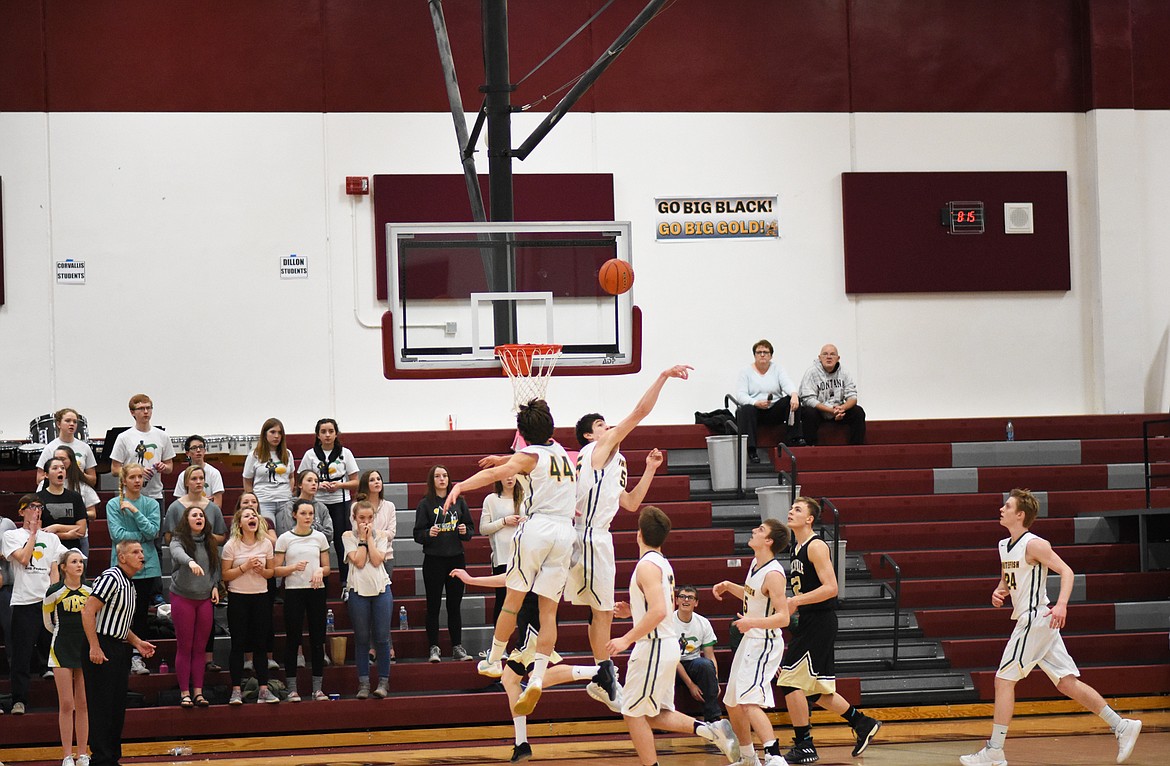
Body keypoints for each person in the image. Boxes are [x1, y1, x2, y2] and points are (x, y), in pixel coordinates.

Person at [959, 489, 1143, 766]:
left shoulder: (1035, 544)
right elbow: (1010, 578)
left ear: (1020, 514)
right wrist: (999, 592)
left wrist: (1062, 605)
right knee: (1067, 683)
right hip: (1035, 621)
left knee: (1003, 680)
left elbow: (1067, 572)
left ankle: (994, 750)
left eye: (1006, 506)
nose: (1001, 509)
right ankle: (1121, 725)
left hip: (1036, 619)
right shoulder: (1003, 545)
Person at [443, 399, 577, 717]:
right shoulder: (563, 453)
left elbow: (503, 472)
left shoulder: (528, 456)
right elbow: (529, 459)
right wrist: (505, 458)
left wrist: (461, 486)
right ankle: (540, 674)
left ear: (522, 434)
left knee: (513, 599)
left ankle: (493, 657)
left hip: (538, 528)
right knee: (548, 612)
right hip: (565, 533)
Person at [570, 364, 690, 712]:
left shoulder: (613, 460)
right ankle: (605, 675)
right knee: (603, 612)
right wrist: (663, 376)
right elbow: (640, 411)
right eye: (600, 425)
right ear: (591, 436)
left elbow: (632, 503)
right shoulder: (599, 450)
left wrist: (650, 470)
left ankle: (602, 674)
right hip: (590, 537)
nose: (608, 427)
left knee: (599, 613)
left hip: (594, 537)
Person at [605, 507, 742, 766]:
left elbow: (658, 611)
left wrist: (626, 639)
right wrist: (633, 611)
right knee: (656, 713)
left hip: (654, 646)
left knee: (632, 713)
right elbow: (660, 608)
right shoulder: (662, 564)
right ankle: (711, 730)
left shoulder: (646, 566)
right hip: (665, 644)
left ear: (639, 534)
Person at [450, 567, 607, 764]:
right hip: (531, 623)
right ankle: (522, 743)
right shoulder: (538, 559)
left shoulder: (535, 558)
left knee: (539, 676)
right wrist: (472, 579)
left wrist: (471, 579)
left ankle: (598, 672)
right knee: (509, 679)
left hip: (535, 623)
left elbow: (508, 578)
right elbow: (510, 578)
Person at [777, 496, 880, 763]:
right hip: (809, 621)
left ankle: (805, 744)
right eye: (791, 508)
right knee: (813, 690)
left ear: (810, 518)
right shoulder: (795, 547)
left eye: (797, 509)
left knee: (789, 682)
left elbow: (832, 588)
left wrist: (796, 601)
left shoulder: (816, 546)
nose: (791, 512)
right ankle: (862, 723)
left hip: (820, 621)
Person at [713, 519, 791, 766]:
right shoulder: (756, 564)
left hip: (765, 641)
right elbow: (753, 596)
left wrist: (752, 623)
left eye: (760, 530)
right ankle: (748, 758)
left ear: (769, 541)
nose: (754, 531)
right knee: (732, 702)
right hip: (751, 638)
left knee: (748, 700)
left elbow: (784, 617)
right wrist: (728, 586)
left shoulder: (774, 573)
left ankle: (774, 756)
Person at [80, 541, 156, 766]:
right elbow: (88, 610)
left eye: (142, 551)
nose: (141, 555)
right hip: (102, 645)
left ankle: (111, 759)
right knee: (102, 706)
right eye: (135, 552)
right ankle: (101, 760)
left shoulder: (129, 583)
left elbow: (118, 622)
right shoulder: (111, 577)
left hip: (119, 646)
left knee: (115, 707)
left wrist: (137, 642)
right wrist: (94, 646)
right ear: (122, 557)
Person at [3, 495, 65, 715]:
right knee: (20, 655)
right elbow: (23, 559)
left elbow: (55, 569)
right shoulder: (12, 535)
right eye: (32, 507)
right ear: (22, 512)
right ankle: (19, 700)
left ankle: (65, 701)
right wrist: (31, 534)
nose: (37, 511)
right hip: (24, 602)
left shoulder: (51, 539)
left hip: (47, 603)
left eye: (40, 507)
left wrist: (55, 595)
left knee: (56, 654)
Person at [104, 463, 162, 676]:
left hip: (147, 568)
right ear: (124, 481)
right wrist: (141, 536)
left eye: (140, 477)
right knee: (120, 614)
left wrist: (135, 511)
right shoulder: (113, 504)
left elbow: (154, 532)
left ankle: (138, 658)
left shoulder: (151, 504)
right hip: (122, 568)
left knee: (140, 615)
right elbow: (118, 536)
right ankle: (120, 658)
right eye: (133, 477)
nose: (137, 481)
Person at [412, 465, 474, 662]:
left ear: (449, 479)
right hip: (433, 560)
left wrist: (465, 531)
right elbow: (417, 534)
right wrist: (427, 534)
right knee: (434, 605)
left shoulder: (460, 502)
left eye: (445, 475)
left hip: (456, 558)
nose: (442, 479)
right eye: (438, 476)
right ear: (432, 480)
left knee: (454, 606)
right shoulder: (425, 504)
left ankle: (457, 646)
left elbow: (470, 530)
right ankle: (434, 648)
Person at [221, 493, 278, 704]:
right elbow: (225, 576)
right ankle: (236, 689)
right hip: (238, 599)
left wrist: (262, 570)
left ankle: (264, 688)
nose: (251, 518)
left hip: (261, 598)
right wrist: (244, 567)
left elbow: (271, 573)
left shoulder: (265, 544)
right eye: (246, 516)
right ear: (239, 523)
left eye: (254, 515)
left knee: (261, 645)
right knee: (238, 644)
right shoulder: (231, 546)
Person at [274, 498, 331, 702]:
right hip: (294, 591)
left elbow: (327, 567)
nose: (308, 517)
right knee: (293, 639)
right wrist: (292, 568)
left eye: (310, 514)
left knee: (318, 640)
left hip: (316, 591)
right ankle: (292, 689)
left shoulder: (319, 538)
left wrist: (319, 571)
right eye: (304, 513)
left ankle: (318, 689)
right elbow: (275, 569)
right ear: (294, 515)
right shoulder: (284, 539)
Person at [43, 549, 92, 766]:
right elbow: (48, 623)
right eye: (74, 562)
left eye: (80, 561)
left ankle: (82, 754)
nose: (79, 565)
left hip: (84, 648)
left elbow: (95, 621)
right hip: (61, 648)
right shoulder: (54, 592)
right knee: (66, 703)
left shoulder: (91, 591)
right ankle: (66, 756)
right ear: (64, 567)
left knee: (83, 703)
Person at [168, 505, 221, 708]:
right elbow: (177, 554)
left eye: (201, 515)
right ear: (186, 520)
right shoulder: (178, 539)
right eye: (194, 515)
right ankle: (184, 693)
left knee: (200, 648)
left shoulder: (210, 541)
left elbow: (215, 566)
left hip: (205, 598)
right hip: (183, 597)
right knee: (185, 646)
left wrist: (215, 585)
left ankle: (198, 692)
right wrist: (190, 562)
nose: (199, 517)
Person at [298, 419, 359, 586]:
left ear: (336, 433)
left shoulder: (345, 453)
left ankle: (345, 581)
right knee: (317, 541)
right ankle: (316, 578)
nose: (327, 435)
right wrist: (318, 485)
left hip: (340, 500)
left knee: (341, 542)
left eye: (330, 431)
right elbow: (301, 479)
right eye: (323, 431)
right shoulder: (310, 454)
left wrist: (340, 485)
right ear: (317, 435)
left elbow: (356, 482)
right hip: (317, 503)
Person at [343, 499, 392, 699]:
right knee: (362, 639)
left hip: (381, 589)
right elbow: (360, 561)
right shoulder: (347, 536)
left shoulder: (381, 535)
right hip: (357, 591)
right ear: (354, 518)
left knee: (382, 637)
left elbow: (377, 559)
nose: (366, 522)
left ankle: (383, 682)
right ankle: (363, 683)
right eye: (361, 518)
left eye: (370, 518)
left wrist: (369, 537)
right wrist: (362, 539)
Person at [735, 339, 804, 463]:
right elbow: (741, 394)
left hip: (774, 409)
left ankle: (795, 439)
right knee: (745, 409)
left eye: (765, 352)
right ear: (754, 355)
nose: (762, 355)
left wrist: (794, 394)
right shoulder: (745, 372)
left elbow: (787, 383)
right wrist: (755, 403)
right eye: (759, 352)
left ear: (771, 355)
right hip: (756, 409)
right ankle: (751, 450)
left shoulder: (777, 369)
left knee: (793, 400)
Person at [108, 394, 176, 518]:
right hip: (130, 496)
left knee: (155, 534)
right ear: (132, 412)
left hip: (155, 495)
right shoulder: (124, 437)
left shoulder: (162, 436)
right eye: (141, 409)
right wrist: (137, 473)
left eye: (149, 408)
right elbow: (114, 469)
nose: (146, 412)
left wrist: (163, 467)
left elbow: (170, 466)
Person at [357, 470, 397, 663]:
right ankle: (372, 647)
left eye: (378, 479)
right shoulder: (356, 507)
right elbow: (356, 531)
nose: (376, 482)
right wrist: (373, 535)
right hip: (364, 559)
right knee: (368, 605)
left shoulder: (389, 506)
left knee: (383, 606)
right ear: (366, 484)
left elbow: (391, 533)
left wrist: (372, 532)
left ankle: (385, 645)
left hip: (386, 556)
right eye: (372, 479)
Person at [797, 344, 866, 446]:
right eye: (825, 354)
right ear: (819, 357)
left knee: (858, 412)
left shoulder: (844, 373)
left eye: (832, 354)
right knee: (808, 412)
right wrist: (830, 410)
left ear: (838, 358)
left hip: (839, 410)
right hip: (820, 411)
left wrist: (842, 408)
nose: (829, 357)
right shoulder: (811, 373)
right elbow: (808, 399)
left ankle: (856, 447)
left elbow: (852, 396)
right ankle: (811, 446)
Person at [673, 584, 722, 724]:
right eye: (682, 596)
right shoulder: (668, 622)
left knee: (706, 665)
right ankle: (661, 717)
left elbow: (710, 655)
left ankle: (713, 719)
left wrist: (715, 680)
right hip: (672, 665)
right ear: (677, 600)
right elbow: (673, 659)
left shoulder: (703, 623)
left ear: (696, 602)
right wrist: (690, 685)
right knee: (661, 666)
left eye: (690, 597)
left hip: (693, 663)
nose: (685, 600)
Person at [479, 476, 525, 624]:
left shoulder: (526, 497)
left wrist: (527, 522)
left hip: (524, 557)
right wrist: (504, 521)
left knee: (526, 603)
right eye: (506, 475)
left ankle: (525, 643)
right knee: (502, 601)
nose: (509, 478)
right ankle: (499, 645)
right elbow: (483, 529)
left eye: (513, 475)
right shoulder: (491, 499)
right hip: (502, 558)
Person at [242, 417, 296, 523]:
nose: (276, 436)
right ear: (265, 434)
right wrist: (252, 502)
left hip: (284, 500)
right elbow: (247, 481)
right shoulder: (254, 455)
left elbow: (291, 476)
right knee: (268, 533)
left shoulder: (288, 453)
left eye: (279, 433)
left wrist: (288, 492)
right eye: (272, 432)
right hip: (264, 501)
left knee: (284, 534)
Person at [37, 455, 90, 552]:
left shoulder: (75, 497)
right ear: (46, 475)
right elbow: (39, 532)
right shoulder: (38, 498)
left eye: (62, 468)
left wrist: (56, 527)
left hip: (72, 550)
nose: (60, 470)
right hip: (48, 549)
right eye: (55, 468)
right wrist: (66, 535)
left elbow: (81, 529)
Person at [36, 408, 97, 488]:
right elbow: (39, 479)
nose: (72, 424)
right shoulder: (50, 448)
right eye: (68, 421)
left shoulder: (85, 447)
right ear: (58, 424)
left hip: (79, 492)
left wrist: (77, 473)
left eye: (75, 422)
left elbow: (93, 480)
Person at [173, 436, 225, 508]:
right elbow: (180, 504)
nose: (198, 450)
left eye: (201, 447)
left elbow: (218, 504)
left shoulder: (214, 473)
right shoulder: (183, 475)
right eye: (194, 448)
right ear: (187, 453)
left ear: (204, 451)